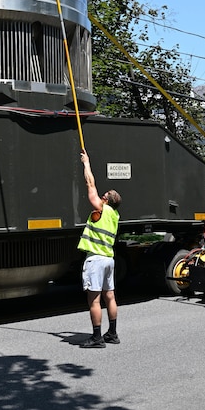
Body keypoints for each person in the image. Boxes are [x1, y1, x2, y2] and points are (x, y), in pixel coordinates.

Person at [78, 149, 122, 347]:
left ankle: (96, 338)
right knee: (110, 296)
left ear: (106, 200)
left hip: (95, 259)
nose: (102, 195)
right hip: (108, 259)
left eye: (104, 195)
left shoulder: (101, 209)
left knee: (94, 300)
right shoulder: (115, 215)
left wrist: (86, 163)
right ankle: (112, 334)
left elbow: (90, 184)